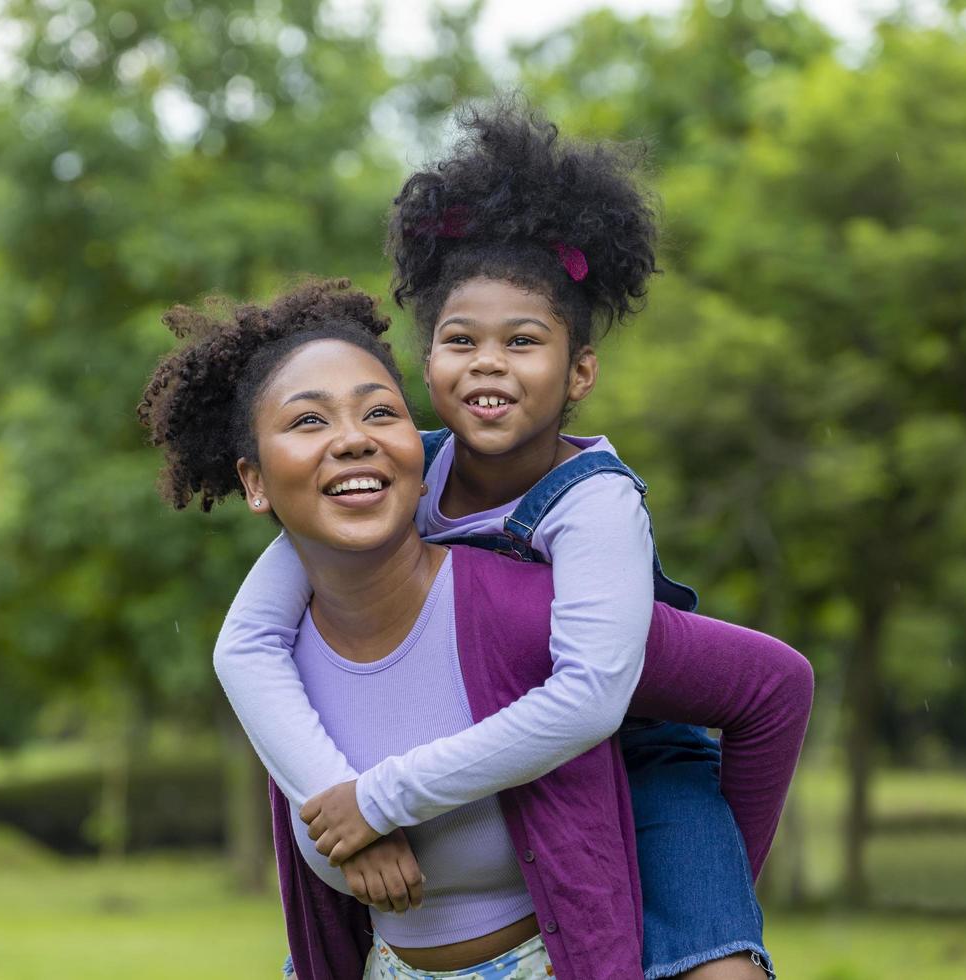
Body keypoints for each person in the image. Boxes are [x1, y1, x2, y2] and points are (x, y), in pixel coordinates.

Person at [209, 104, 811, 978]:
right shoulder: (399, 477)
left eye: (522, 341)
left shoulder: (593, 505)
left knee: (716, 964)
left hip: (637, 754)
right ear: (429, 365)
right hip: (503, 786)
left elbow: (595, 700)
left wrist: (700, 896)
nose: (489, 361)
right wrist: (327, 799)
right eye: (462, 340)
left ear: (580, 373)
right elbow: (246, 641)